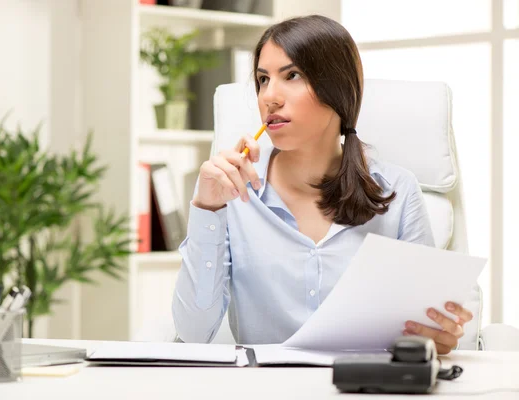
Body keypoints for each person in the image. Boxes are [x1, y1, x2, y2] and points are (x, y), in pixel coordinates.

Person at [172, 15, 472, 355]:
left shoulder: (398, 191)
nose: (270, 96)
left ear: (337, 88)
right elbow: (193, 332)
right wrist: (208, 208)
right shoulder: (235, 196)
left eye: (292, 75)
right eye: (262, 79)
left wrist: (437, 334)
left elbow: (424, 329)